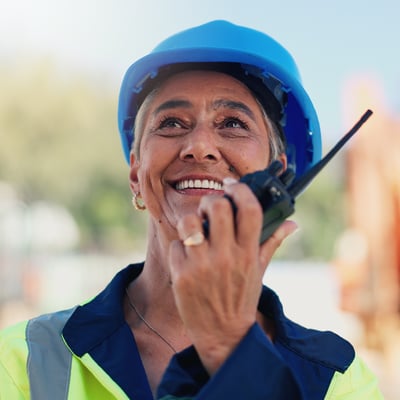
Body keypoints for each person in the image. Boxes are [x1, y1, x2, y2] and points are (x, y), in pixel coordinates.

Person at [0, 20, 383, 399]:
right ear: (135, 171)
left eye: (233, 123)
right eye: (171, 123)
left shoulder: (338, 380)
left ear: (278, 175)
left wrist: (231, 348)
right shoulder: (23, 360)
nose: (199, 146)